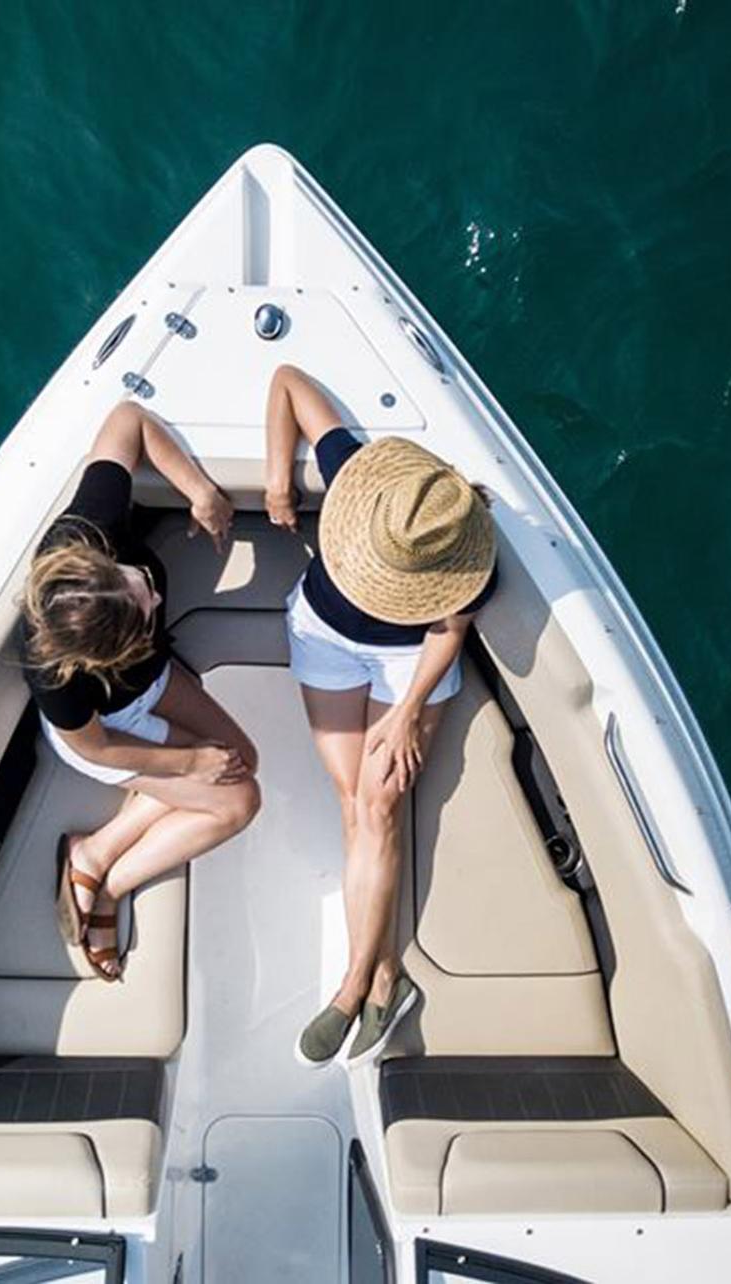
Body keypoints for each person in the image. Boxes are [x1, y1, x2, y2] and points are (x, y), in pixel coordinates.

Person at [263, 364, 497, 1066]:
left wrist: (404, 716)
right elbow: (289, 381)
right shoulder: (367, 489)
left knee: (379, 805)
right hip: (325, 639)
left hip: (408, 668)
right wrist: (279, 478)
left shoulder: (456, 552)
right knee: (353, 802)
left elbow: (448, 633)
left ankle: (359, 982)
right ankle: (383, 975)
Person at [23, 400, 261, 981]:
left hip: (153, 679)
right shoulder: (58, 681)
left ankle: (96, 853)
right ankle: (111, 884)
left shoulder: (87, 530)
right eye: (142, 613)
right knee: (240, 799)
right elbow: (96, 747)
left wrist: (198, 490)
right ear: (98, 658)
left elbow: (127, 418)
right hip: (112, 727)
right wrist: (187, 761)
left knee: (242, 761)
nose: (154, 598)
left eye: (135, 585)